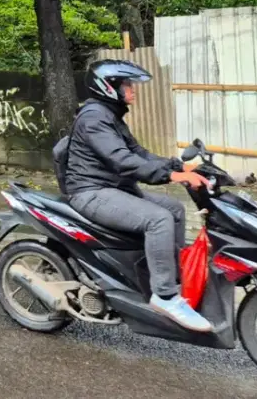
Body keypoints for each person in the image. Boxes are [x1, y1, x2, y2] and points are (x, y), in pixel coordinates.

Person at [64, 59, 212, 333]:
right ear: (109, 88)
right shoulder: (94, 118)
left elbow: (139, 153)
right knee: (158, 219)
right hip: (91, 192)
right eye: (127, 85)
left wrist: (180, 167)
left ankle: (170, 275)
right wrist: (171, 177)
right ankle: (165, 296)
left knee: (174, 209)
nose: (132, 90)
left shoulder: (110, 116)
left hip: (113, 188)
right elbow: (122, 160)